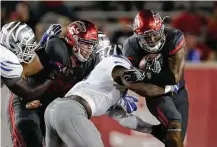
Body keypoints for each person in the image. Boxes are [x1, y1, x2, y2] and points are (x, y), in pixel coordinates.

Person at [44, 41, 176, 147]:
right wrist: (167, 88)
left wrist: (153, 130)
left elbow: (124, 117)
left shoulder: (107, 88)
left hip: (55, 110)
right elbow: (143, 89)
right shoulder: (120, 64)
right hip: (70, 112)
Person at [6, 20, 99, 147]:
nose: (90, 49)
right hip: (29, 102)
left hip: (52, 107)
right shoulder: (56, 49)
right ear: (73, 40)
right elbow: (21, 71)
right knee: (28, 130)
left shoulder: (90, 63)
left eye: (92, 44)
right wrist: (40, 49)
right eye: (86, 43)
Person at [122, 10, 189, 147]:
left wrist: (146, 75)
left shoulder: (174, 37)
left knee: (176, 141)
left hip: (179, 92)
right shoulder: (131, 46)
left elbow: (173, 78)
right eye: (147, 37)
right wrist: (157, 88)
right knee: (174, 122)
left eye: (155, 34)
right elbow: (133, 84)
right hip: (155, 95)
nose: (152, 40)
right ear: (138, 36)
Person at [0, 22, 61, 100]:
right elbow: (29, 93)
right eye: (25, 46)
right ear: (12, 46)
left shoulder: (5, 51)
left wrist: (43, 42)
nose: (30, 50)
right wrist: (51, 77)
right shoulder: (7, 60)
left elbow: (26, 52)